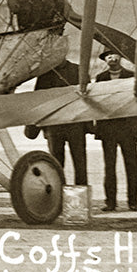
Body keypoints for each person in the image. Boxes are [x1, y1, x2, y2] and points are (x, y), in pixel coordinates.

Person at [93, 50, 137, 211]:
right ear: (105, 60)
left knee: (132, 165)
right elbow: (96, 102)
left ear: (121, 58)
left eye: (115, 56)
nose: (112, 59)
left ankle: (133, 202)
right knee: (109, 166)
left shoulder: (132, 76)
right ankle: (110, 202)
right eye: (108, 56)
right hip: (108, 129)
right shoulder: (100, 78)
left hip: (128, 128)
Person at [30, 58, 88, 186]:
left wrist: (87, 125)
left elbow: (88, 97)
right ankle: (57, 193)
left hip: (75, 124)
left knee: (80, 163)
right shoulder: (45, 73)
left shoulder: (78, 70)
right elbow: (38, 99)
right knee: (56, 163)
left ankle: (80, 195)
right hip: (54, 126)